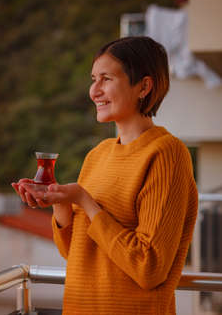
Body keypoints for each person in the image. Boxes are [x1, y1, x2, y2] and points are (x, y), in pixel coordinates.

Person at [12, 36, 198, 315]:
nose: (94, 91)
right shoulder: (98, 154)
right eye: (93, 79)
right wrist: (60, 201)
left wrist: (86, 201)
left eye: (106, 79)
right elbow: (75, 252)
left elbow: (149, 268)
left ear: (144, 86)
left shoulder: (166, 154)